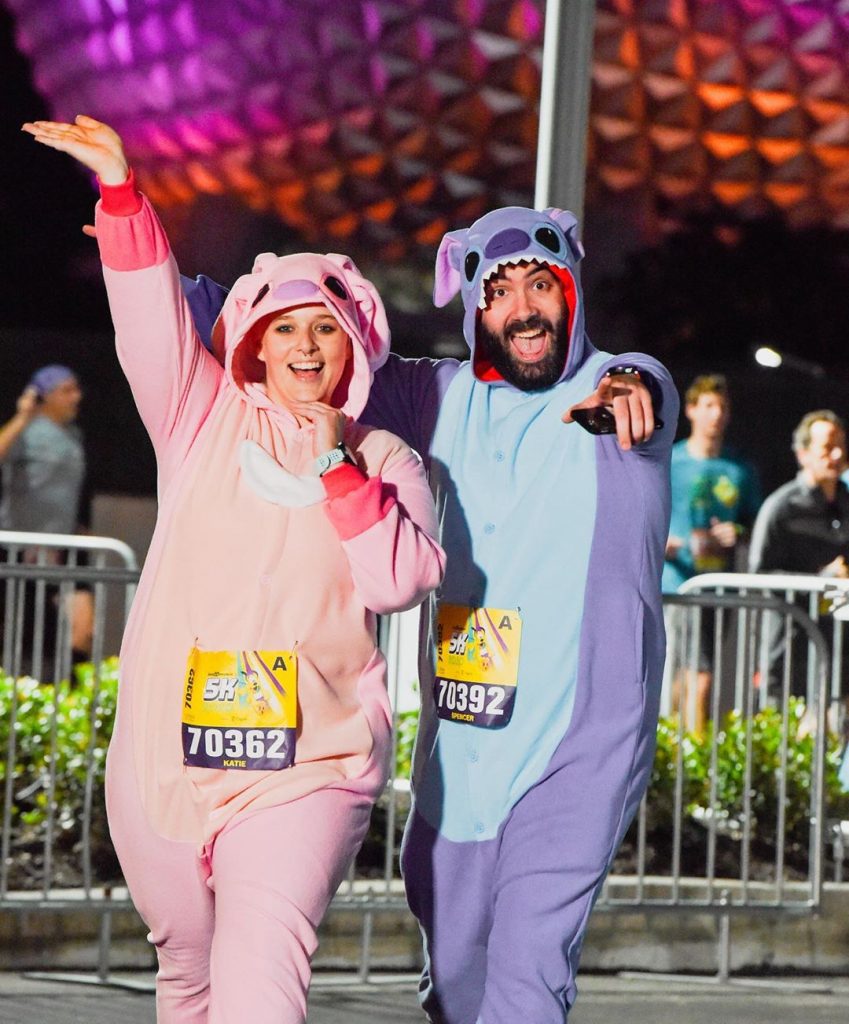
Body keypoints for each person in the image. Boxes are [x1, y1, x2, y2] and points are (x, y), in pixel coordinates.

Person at [182, 203, 677, 1020]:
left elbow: (644, 387)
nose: (521, 306)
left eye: (540, 283)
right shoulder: (443, 398)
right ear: (474, 305)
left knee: (526, 972)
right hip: (464, 744)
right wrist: (143, 244)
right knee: (454, 981)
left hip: (578, 746)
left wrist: (630, 386)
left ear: (571, 290)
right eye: (498, 290)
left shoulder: (614, 389)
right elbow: (317, 344)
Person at [23, 114, 445, 1024]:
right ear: (252, 337)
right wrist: (122, 194)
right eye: (285, 328)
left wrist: (338, 467)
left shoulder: (384, 460)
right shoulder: (198, 419)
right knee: (190, 973)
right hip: (164, 756)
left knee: (259, 976)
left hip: (309, 765)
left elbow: (398, 581)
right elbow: (148, 319)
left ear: (352, 345)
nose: (304, 348)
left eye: (323, 331)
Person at [663, 373, 761, 730]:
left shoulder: (739, 469)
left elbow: (754, 521)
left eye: (721, 407)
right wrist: (659, 541)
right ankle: (696, 768)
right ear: (691, 410)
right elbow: (642, 511)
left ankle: (673, 750)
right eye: (708, 406)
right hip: (678, 583)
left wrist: (735, 531)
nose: (715, 415)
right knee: (698, 674)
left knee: (692, 672)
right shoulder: (670, 461)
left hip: (719, 582)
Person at [749, 410, 849, 702]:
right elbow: (759, 576)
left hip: (840, 649)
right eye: (828, 447)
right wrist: (820, 581)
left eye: (842, 444)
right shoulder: (782, 507)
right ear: (803, 454)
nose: (838, 453)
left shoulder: (846, 500)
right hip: (791, 648)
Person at [0, 366, 93, 663]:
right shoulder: (24, 431)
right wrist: (23, 416)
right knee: (20, 635)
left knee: (83, 631)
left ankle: (68, 698)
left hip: (60, 549)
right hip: (18, 551)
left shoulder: (74, 435)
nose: (76, 397)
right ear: (45, 396)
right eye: (67, 390)